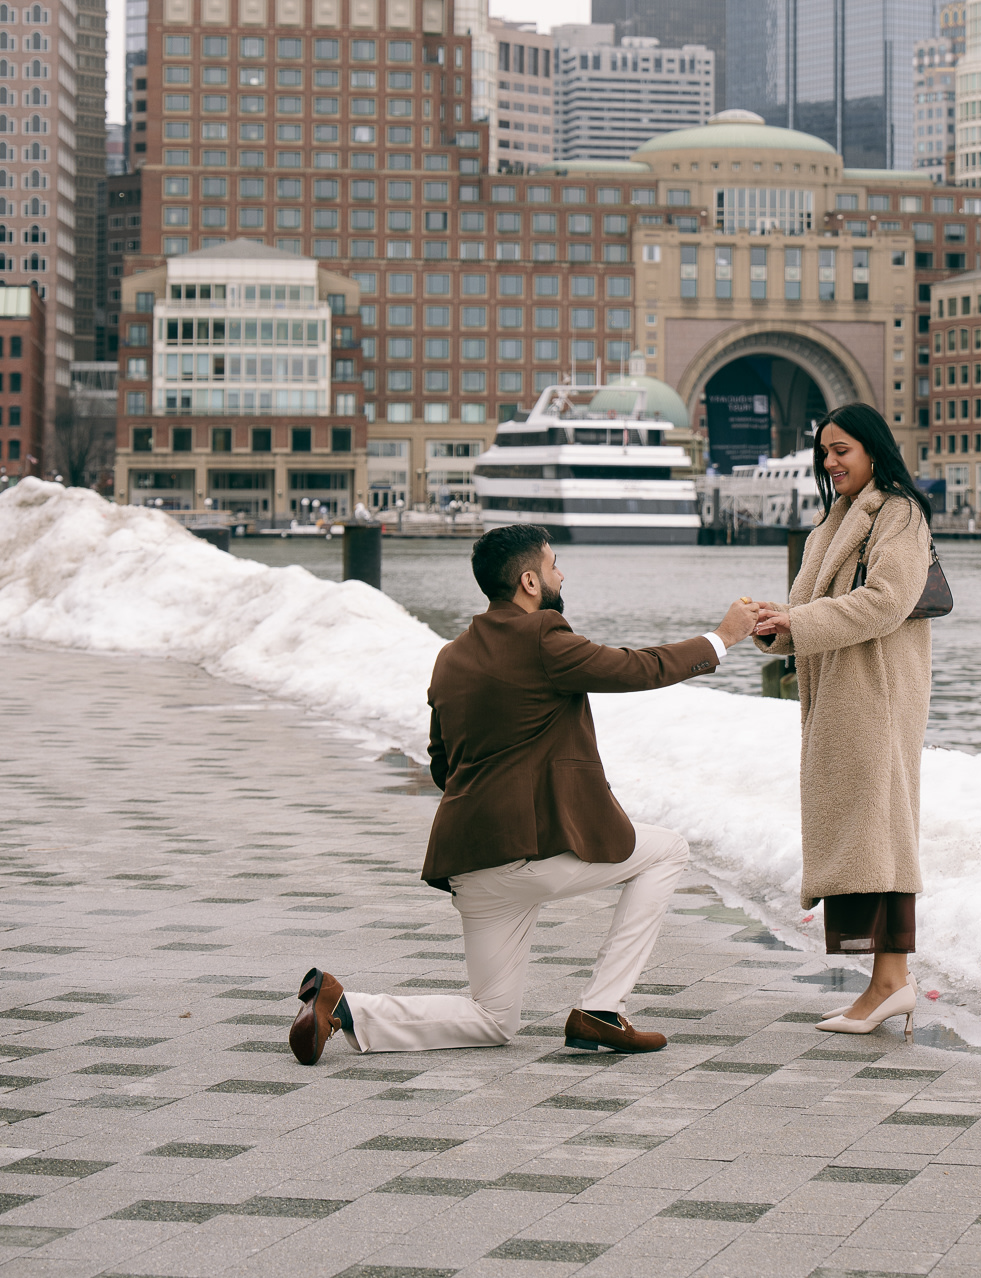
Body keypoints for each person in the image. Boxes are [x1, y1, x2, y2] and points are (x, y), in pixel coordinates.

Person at [289, 524, 758, 1064]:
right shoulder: (542, 638)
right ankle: (602, 1009)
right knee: (669, 849)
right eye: (555, 564)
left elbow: (444, 765)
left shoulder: (452, 656)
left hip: (470, 862)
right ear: (531, 581)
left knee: (492, 1019)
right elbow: (637, 667)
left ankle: (345, 1007)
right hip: (526, 855)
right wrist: (723, 636)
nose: (563, 574)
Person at [752, 403, 932, 1039]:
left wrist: (796, 623)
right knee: (863, 834)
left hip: (877, 696)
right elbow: (808, 606)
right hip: (838, 699)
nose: (830, 463)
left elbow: (886, 602)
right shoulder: (833, 520)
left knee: (883, 834)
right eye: (824, 452)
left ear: (874, 450)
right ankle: (885, 982)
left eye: (842, 450)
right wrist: (776, 624)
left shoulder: (901, 515)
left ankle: (892, 982)